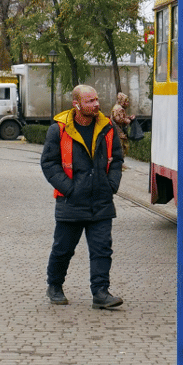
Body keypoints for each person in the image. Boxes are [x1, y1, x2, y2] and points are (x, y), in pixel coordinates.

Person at [40, 84, 125, 310]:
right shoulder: (58, 130)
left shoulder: (107, 127)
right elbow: (49, 164)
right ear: (76, 104)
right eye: (90, 101)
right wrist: (69, 188)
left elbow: (116, 160)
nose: (96, 104)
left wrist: (111, 186)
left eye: (96, 100)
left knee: (102, 250)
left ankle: (100, 293)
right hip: (71, 201)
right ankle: (55, 286)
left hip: (101, 200)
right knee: (63, 249)